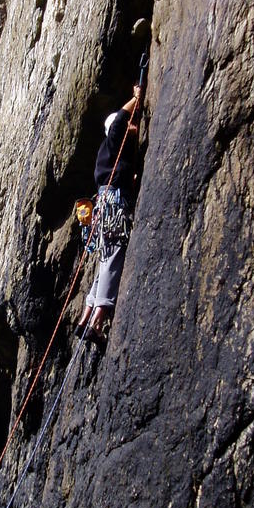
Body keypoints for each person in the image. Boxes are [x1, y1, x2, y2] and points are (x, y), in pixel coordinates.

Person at [75, 84, 142, 345]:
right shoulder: (113, 141)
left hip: (105, 205)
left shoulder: (109, 156)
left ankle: (85, 318)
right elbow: (118, 125)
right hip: (113, 206)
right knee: (113, 256)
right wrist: (134, 99)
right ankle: (98, 322)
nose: (132, 127)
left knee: (104, 262)